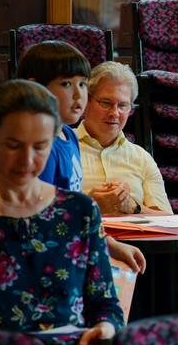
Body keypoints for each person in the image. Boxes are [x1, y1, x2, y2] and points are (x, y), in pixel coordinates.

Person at [0, 80, 123, 345]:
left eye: (40, 146)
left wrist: (105, 329)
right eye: (13, 145)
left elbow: (106, 305)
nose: (27, 159)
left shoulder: (78, 210)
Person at [77, 61, 178, 314]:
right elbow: (46, 211)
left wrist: (132, 206)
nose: (114, 113)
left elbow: (168, 221)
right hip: (87, 253)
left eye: (123, 105)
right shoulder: (64, 148)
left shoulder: (140, 157)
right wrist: (91, 204)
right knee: (118, 299)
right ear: (87, 101)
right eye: (106, 103)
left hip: (148, 256)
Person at [16, 40, 147, 275]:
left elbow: (76, 214)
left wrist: (113, 246)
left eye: (83, 84)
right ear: (34, 88)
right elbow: (42, 220)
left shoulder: (68, 136)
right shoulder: (39, 148)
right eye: (66, 84)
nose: (78, 95)